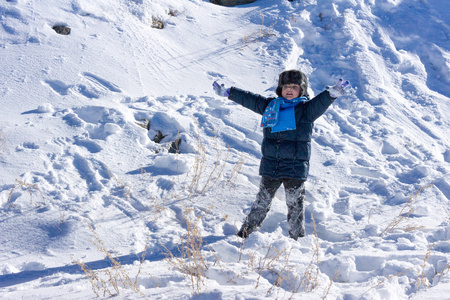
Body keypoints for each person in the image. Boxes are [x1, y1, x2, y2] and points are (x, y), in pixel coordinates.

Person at [213, 70, 353, 240]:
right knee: (261, 202)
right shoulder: (270, 106)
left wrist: (331, 94)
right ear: (280, 89)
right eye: (286, 86)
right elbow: (250, 100)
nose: (289, 89)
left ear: (301, 90)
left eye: (294, 87)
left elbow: (319, 103)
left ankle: (296, 239)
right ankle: (245, 234)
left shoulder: (306, 110)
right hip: (271, 165)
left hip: (295, 167)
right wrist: (230, 93)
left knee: (295, 205)